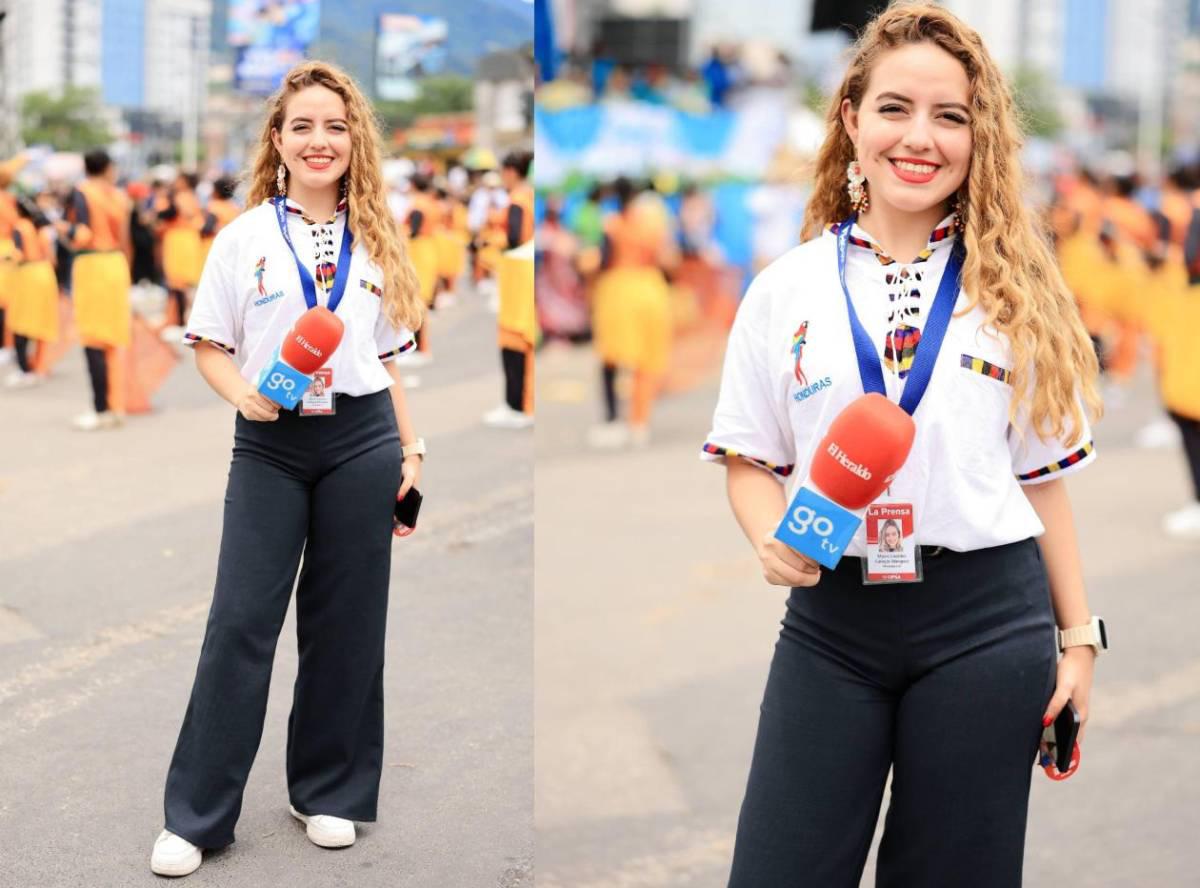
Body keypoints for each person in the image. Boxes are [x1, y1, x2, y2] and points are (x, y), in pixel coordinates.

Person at [701, 6, 1107, 886]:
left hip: (988, 624)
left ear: (978, 137)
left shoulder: (1015, 294)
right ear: (851, 119)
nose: (919, 138)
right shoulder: (787, 289)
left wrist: (1078, 640)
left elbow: (1041, 484)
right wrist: (768, 536)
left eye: (949, 116)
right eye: (894, 109)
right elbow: (748, 457)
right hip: (832, 625)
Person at [150, 60, 425, 878]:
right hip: (268, 443)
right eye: (302, 126)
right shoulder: (242, 238)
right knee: (240, 622)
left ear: (354, 141)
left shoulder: (379, 233)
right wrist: (245, 397)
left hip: (363, 439)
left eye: (335, 127)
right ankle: (196, 816)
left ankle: (329, 791)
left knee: (347, 623)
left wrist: (412, 452)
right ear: (277, 139)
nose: (319, 140)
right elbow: (208, 344)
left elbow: (387, 359)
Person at [62, 149, 133, 431]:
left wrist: (59, 229)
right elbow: (126, 240)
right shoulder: (120, 196)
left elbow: (81, 235)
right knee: (115, 337)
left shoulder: (82, 193)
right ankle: (116, 406)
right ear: (106, 168)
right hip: (116, 264)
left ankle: (100, 408)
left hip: (92, 265)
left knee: (93, 338)